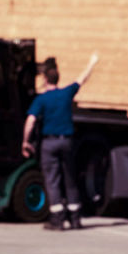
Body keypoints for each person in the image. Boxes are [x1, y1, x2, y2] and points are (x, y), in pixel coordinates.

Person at [22, 52, 99, 231]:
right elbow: (82, 79)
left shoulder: (41, 99)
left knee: (53, 180)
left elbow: (30, 121)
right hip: (67, 142)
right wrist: (92, 63)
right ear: (58, 79)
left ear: (45, 80)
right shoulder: (66, 94)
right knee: (70, 178)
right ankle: (75, 219)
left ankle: (57, 219)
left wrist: (25, 142)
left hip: (49, 143)